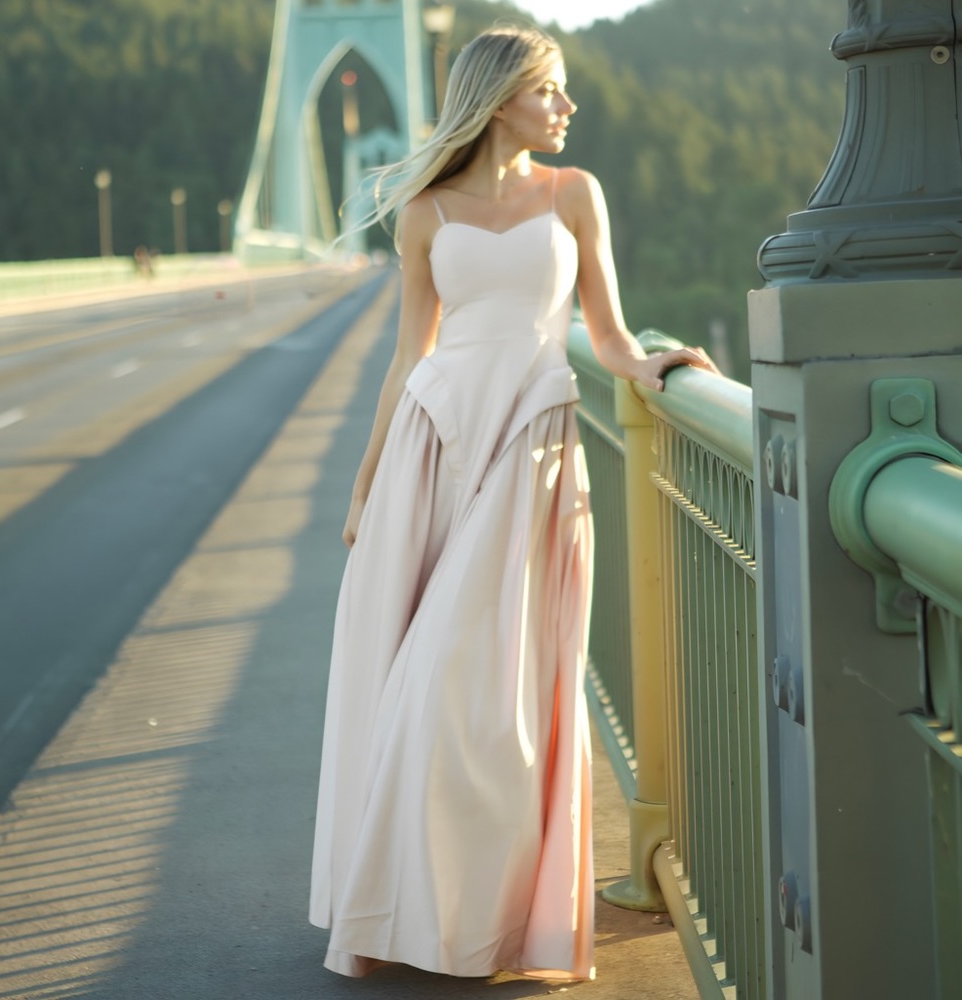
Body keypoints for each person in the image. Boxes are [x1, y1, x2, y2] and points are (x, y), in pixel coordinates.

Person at [309, 24, 717, 982]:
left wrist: (654, 367)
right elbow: (409, 358)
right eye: (553, 90)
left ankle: (482, 920)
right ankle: (407, 909)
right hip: (433, 450)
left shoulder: (575, 196)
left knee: (485, 693)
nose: (569, 107)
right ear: (501, 99)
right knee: (421, 679)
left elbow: (607, 337)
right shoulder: (425, 213)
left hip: (533, 449)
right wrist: (369, 481)